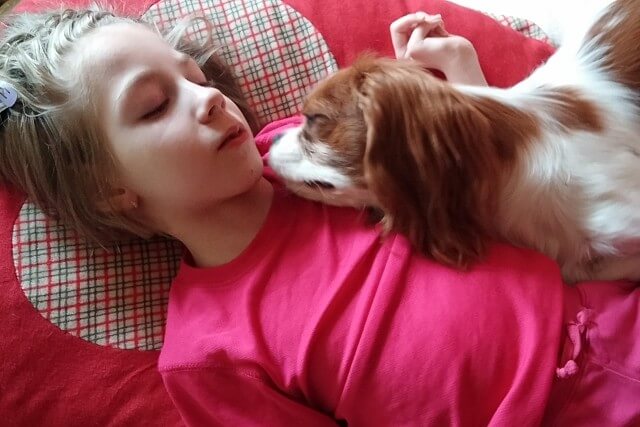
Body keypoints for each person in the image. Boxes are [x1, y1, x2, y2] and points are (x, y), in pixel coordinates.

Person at [0, 7, 638, 427]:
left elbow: (473, 173)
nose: (209, 96)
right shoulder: (207, 354)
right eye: (153, 106)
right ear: (110, 191)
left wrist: (451, 85)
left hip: (612, 301)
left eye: (194, 75)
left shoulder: (307, 144)